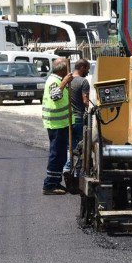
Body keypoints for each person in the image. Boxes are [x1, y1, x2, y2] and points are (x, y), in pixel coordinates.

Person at [42, 58, 73, 195]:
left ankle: (55, 182)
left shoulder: (55, 79)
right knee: (56, 154)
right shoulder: (55, 81)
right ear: (62, 70)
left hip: (60, 123)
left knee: (60, 155)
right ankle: (49, 185)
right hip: (57, 124)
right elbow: (55, 96)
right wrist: (65, 82)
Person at [63, 59, 91, 178]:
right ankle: (74, 172)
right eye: (87, 69)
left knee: (70, 147)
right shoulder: (83, 82)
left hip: (67, 118)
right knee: (81, 147)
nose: (88, 72)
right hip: (79, 118)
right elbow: (85, 101)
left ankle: (67, 168)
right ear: (82, 67)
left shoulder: (66, 80)